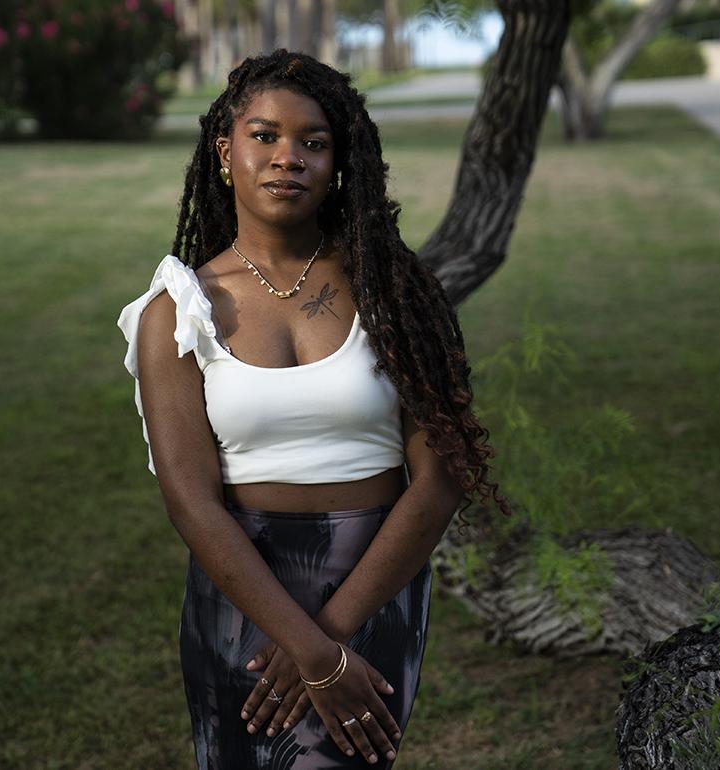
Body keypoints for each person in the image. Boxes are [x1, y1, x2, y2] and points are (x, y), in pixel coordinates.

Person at [117, 49, 507, 769]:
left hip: (376, 580)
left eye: (313, 142)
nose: (287, 157)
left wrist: (328, 642)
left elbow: (442, 473)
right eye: (264, 136)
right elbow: (189, 500)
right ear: (225, 151)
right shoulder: (178, 311)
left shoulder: (392, 291)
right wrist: (305, 650)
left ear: (338, 164)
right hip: (245, 595)